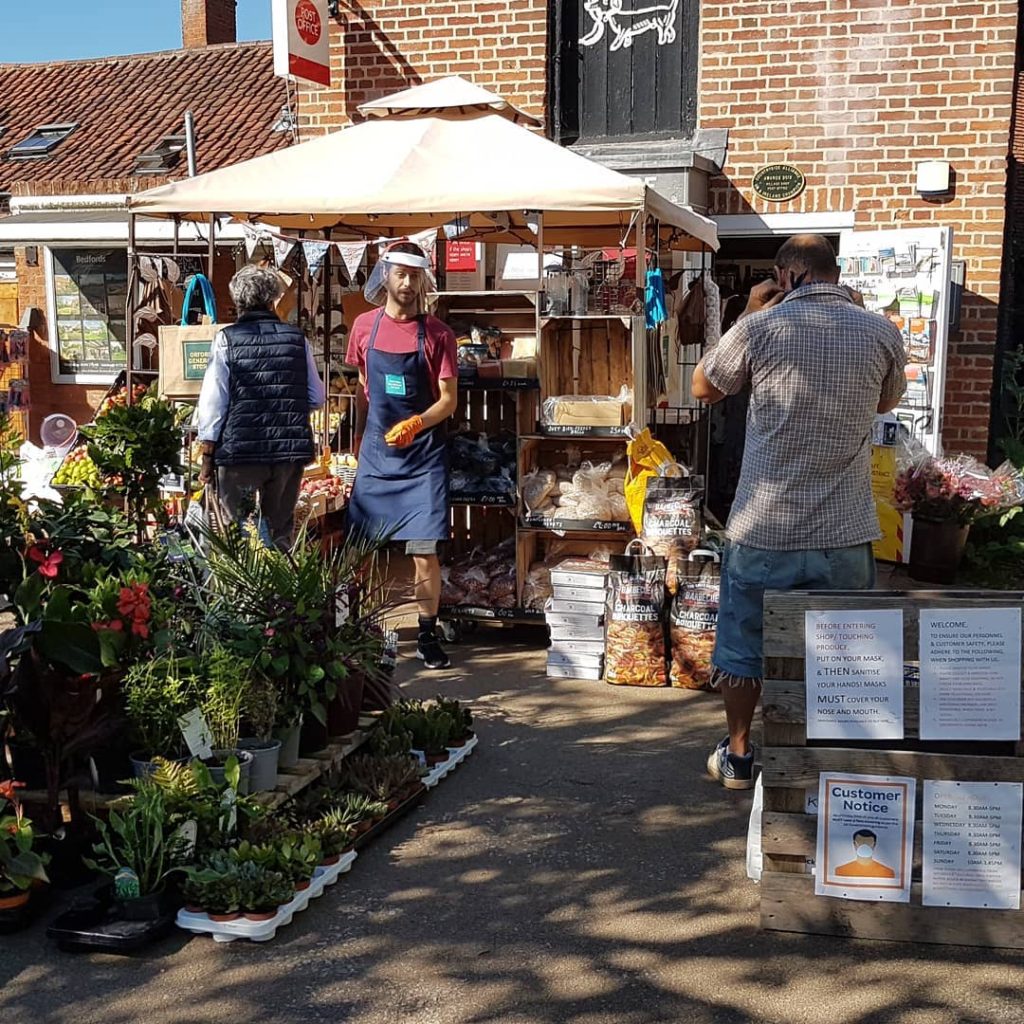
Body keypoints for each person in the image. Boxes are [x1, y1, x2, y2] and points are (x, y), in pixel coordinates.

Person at [691, 234, 906, 790]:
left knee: (744, 646)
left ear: (786, 275)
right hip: (846, 528)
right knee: (843, 649)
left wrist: (745, 312)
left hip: (766, 527)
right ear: (835, 273)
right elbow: (886, 402)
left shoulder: (761, 327)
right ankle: (827, 762)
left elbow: (703, 387)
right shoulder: (882, 331)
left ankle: (740, 755)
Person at [346, 241, 459, 671]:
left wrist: (417, 423)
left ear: (423, 280)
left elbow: (448, 401)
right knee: (359, 549)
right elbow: (363, 384)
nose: (408, 284)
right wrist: (362, 438)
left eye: (415, 276)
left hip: (422, 457)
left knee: (423, 550)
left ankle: (427, 635)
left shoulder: (438, 335)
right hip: (377, 454)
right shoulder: (363, 327)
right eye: (400, 275)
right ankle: (354, 627)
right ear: (386, 275)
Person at [197, 264, 325, 549]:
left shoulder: (226, 339)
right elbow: (317, 396)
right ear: (273, 300)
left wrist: (207, 453)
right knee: (278, 531)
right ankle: (277, 591)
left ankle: (241, 591)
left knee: (239, 531)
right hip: (287, 453)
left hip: (241, 454)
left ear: (237, 301)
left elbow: (213, 404)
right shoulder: (296, 339)